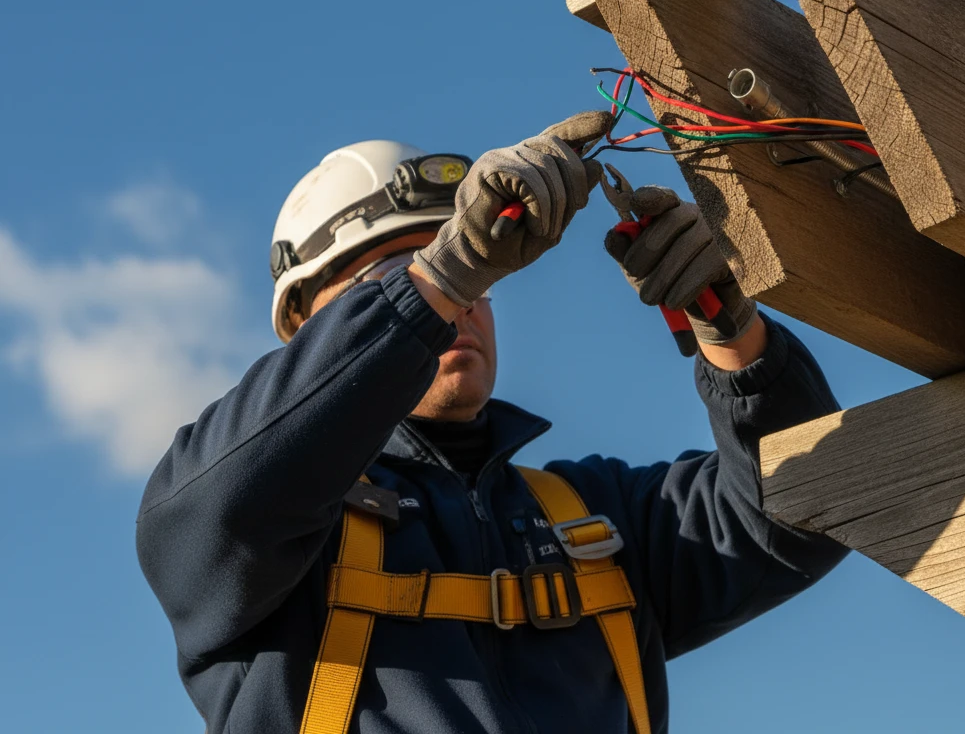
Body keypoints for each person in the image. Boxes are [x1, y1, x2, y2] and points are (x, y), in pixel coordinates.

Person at [137, 113, 847, 734]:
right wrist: (433, 283)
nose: (461, 300)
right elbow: (212, 511)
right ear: (305, 330)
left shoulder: (594, 522)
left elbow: (811, 509)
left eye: (475, 274)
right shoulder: (274, 546)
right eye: (388, 279)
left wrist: (727, 325)